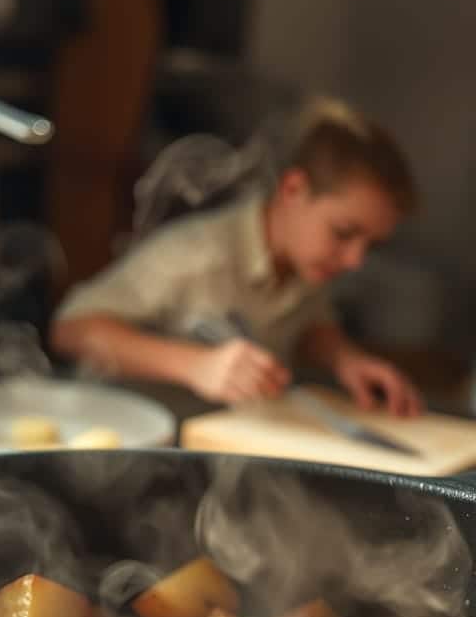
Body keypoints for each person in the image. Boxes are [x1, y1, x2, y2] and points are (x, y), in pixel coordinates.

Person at [49, 97, 423, 416]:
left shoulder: (309, 263)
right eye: (344, 233)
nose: (355, 260)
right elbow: (70, 329)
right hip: (132, 447)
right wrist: (195, 366)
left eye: (370, 245)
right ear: (293, 190)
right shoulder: (195, 253)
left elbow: (310, 326)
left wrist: (345, 358)